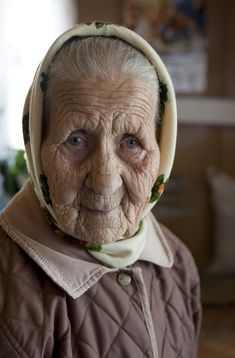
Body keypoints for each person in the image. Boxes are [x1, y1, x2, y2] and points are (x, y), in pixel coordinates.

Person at [0, 22, 201, 357]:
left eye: (132, 143)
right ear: (37, 147)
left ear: (161, 151)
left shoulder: (177, 262)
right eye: (76, 140)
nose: (105, 180)